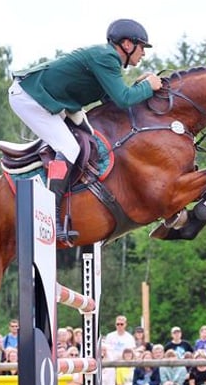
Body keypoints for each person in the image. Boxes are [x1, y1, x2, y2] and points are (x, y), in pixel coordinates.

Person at [8, 18, 162, 243]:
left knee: (85, 143)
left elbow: (113, 100)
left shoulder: (107, 60)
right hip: (30, 98)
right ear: (128, 45)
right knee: (69, 148)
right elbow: (123, 99)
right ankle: (50, 217)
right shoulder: (107, 57)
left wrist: (140, 87)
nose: (144, 53)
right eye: (142, 47)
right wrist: (148, 86)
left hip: (46, 100)